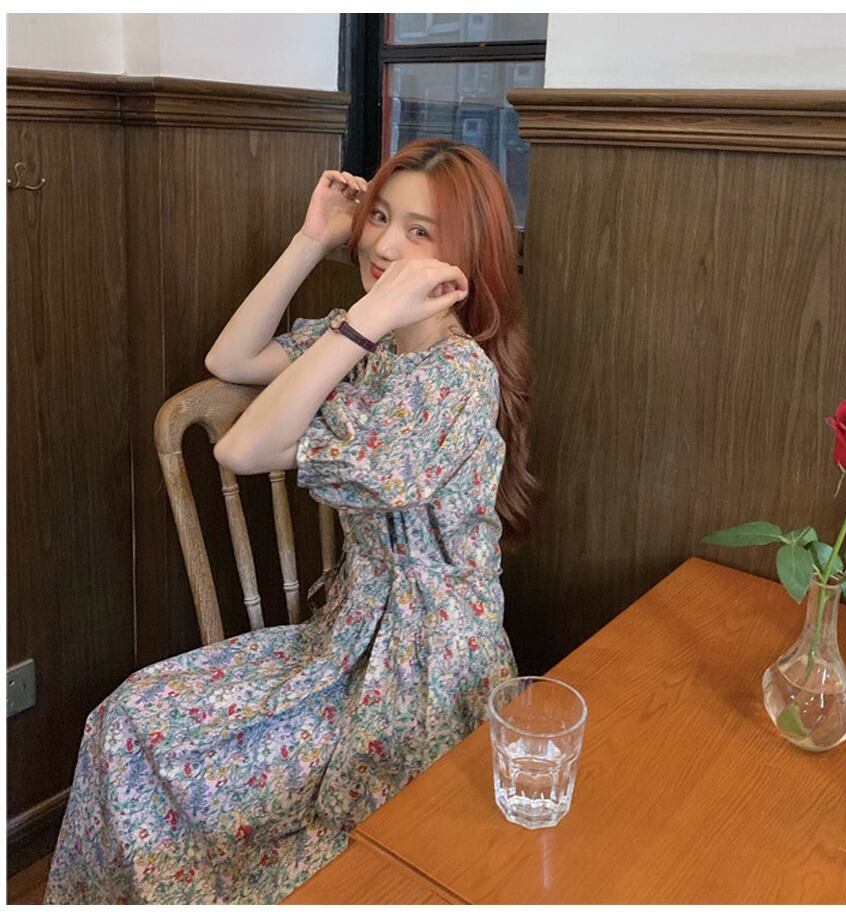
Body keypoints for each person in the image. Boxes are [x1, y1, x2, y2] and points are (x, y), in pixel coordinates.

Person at [45, 137, 539, 904]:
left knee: (306, 828)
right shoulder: (369, 343)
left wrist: (366, 319)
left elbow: (242, 450)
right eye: (380, 217)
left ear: (466, 255)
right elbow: (231, 360)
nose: (381, 244)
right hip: (346, 638)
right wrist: (312, 240)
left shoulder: (452, 380)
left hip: (423, 671)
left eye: (419, 230)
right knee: (128, 723)